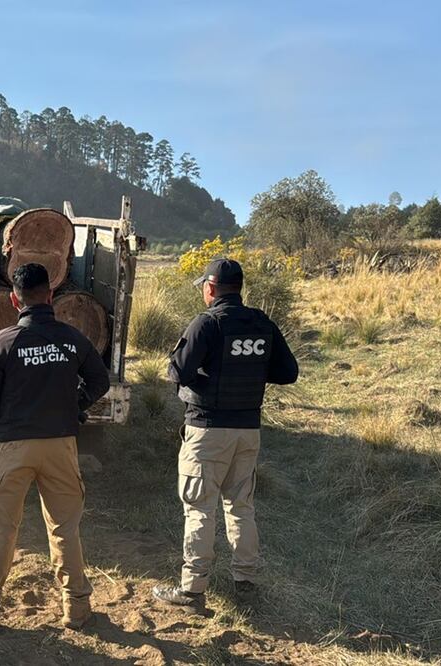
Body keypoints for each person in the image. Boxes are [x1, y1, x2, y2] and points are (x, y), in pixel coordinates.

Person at [0, 263, 111, 633]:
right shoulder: (72, 339)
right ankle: (76, 610)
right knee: (64, 528)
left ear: (15, 300)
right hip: (60, 445)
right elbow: (100, 380)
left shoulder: (3, 341)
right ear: (50, 296)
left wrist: (0, 424)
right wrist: (75, 405)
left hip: (14, 445)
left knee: (2, 529)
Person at [152, 257, 298, 612]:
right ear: (239, 288)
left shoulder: (207, 323)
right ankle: (245, 583)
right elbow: (288, 372)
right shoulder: (262, 323)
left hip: (208, 430)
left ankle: (191, 591)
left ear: (210, 288)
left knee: (200, 508)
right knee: (240, 507)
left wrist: (206, 379)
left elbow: (176, 372)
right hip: (248, 431)